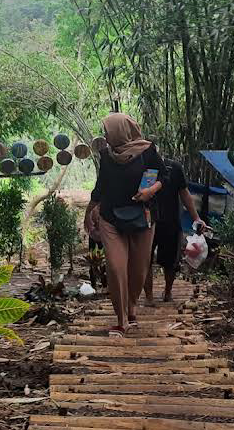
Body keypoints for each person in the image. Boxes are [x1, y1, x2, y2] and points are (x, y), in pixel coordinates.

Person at [84, 112, 164, 336]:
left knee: (139, 268)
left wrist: (150, 190)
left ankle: (132, 306)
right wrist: (89, 212)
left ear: (121, 131)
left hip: (143, 216)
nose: (106, 137)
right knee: (115, 266)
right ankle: (121, 320)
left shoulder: (147, 151)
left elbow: (162, 176)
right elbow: (101, 187)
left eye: (108, 132)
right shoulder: (106, 155)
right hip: (111, 217)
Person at [144, 158, 204, 304]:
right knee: (145, 259)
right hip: (148, 221)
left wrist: (196, 218)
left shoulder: (174, 167)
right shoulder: (144, 167)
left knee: (170, 261)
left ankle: (167, 292)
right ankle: (149, 296)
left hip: (170, 220)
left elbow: (184, 193)